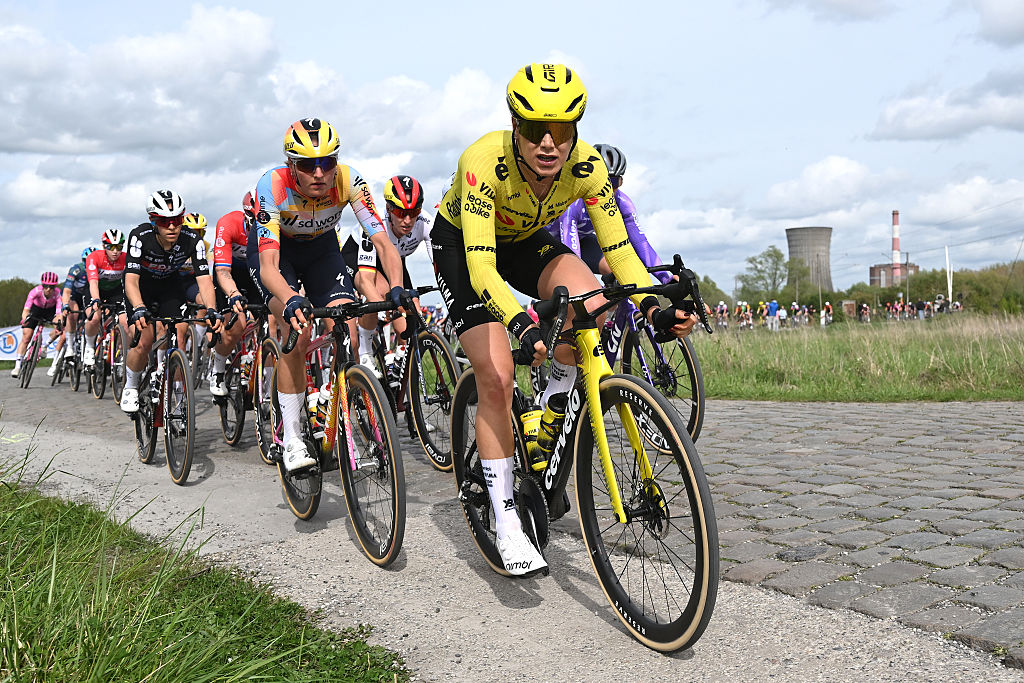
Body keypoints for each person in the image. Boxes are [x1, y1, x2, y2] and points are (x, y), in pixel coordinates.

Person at [431, 63, 696, 576]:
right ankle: (506, 521)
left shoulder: (587, 167)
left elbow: (619, 251)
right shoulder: (482, 162)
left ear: (576, 130)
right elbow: (482, 268)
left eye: (562, 130)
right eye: (535, 129)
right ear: (515, 126)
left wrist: (653, 307)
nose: (549, 143)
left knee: (595, 303)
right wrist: (520, 323)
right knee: (497, 376)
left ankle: (550, 410)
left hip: (522, 240)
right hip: (464, 247)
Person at [248, 118, 407, 473]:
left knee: (347, 325)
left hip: (322, 250)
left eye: (327, 162)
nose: (319, 173)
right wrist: (290, 298)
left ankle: (331, 400)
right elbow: (269, 267)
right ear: (292, 165)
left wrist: (396, 286)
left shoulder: (350, 180)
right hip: (278, 255)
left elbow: (383, 242)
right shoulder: (272, 185)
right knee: (297, 329)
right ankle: (292, 438)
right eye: (308, 165)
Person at [120, 190, 222, 413]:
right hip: (142, 288)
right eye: (165, 222)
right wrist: (138, 307)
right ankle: (131, 385)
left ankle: (178, 395)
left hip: (169, 287)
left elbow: (204, 280)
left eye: (177, 220)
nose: (172, 226)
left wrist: (212, 310)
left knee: (179, 336)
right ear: (153, 221)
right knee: (144, 341)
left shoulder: (192, 239)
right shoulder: (140, 236)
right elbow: (131, 280)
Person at [343, 174, 434, 369]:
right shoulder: (374, 222)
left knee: (410, 309)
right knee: (380, 295)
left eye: (414, 212)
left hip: (393, 261)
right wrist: (379, 305)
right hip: (357, 257)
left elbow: (439, 262)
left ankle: (401, 364)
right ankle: (365, 351)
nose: (408, 220)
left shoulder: (425, 221)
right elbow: (366, 279)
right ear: (388, 209)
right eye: (401, 213)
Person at [208, 190, 267, 397]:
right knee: (236, 324)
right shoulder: (229, 223)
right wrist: (233, 294)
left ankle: (268, 380)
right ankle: (218, 369)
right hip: (229, 275)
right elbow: (222, 271)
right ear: (247, 215)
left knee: (270, 322)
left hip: (255, 273)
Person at [83, 229, 128, 367]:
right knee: (94, 318)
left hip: (115, 291)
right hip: (96, 290)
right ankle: (89, 347)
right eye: (111, 247)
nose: (115, 251)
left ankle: (122, 353)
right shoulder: (94, 257)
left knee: (125, 322)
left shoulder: (126, 258)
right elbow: (93, 282)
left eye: (119, 247)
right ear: (104, 246)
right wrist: (96, 300)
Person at [11, 272, 63, 378]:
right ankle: (17, 366)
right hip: (36, 310)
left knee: (60, 326)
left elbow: (59, 313)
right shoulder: (35, 291)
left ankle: (45, 346)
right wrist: (24, 319)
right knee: (26, 337)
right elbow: (26, 309)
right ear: (42, 285)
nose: (48, 289)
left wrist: (59, 323)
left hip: (50, 311)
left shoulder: (58, 294)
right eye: (45, 286)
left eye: (52, 287)